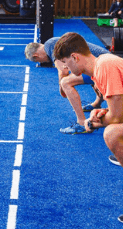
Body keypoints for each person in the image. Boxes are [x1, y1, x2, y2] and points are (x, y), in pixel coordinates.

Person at [53, 32, 123, 224]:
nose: (66, 69)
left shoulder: (104, 66)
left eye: (66, 63)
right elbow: (117, 111)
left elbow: (116, 117)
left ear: (75, 57)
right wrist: (102, 112)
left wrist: (91, 123)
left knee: (113, 133)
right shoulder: (100, 70)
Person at [25, 37, 108, 134]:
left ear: (36, 56)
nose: (43, 62)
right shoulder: (52, 41)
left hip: (102, 67)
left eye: (39, 61)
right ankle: (96, 104)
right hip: (104, 60)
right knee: (81, 71)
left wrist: (61, 88)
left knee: (66, 82)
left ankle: (81, 123)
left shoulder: (50, 46)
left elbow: (63, 71)